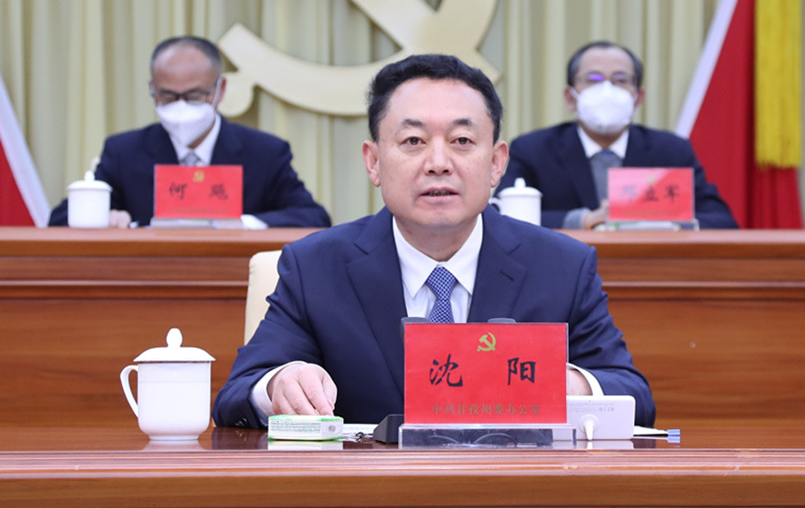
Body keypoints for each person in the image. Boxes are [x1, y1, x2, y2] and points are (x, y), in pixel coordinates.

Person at [212, 53, 655, 429]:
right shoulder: (316, 266)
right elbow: (236, 396)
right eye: (413, 141)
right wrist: (279, 384)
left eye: (462, 140)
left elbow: (634, 396)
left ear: (497, 163)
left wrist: (567, 385)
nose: (438, 162)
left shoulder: (561, 266)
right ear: (373, 162)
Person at [48, 36, 330, 229]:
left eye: (194, 96)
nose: (181, 106)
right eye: (168, 96)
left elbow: (313, 218)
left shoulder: (264, 153)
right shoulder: (124, 152)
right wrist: (103, 218)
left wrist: (244, 224)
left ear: (220, 90)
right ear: (152, 89)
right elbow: (59, 219)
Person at [496, 41, 738, 230]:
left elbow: (721, 220)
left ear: (638, 98)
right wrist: (585, 220)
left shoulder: (671, 151)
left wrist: (662, 223)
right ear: (570, 98)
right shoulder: (534, 150)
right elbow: (501, 215)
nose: (607, 90)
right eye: (593, 79)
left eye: (620, 80)